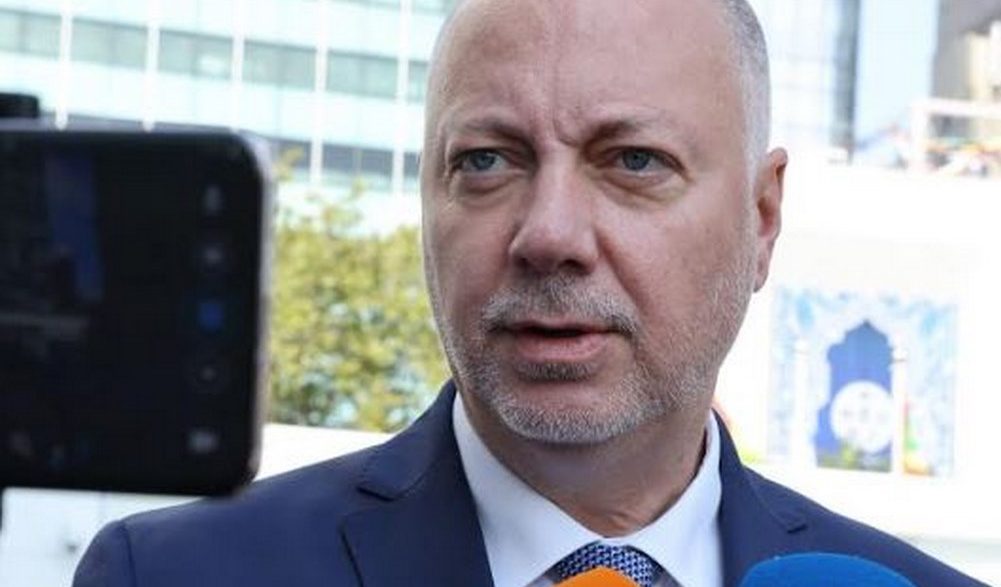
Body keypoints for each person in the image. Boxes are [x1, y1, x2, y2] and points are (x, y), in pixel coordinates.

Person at [73, 0, 987, 586]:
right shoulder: (174, 573)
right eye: (486, 161)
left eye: (633, 161)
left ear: (760, 217)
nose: (548, 234)